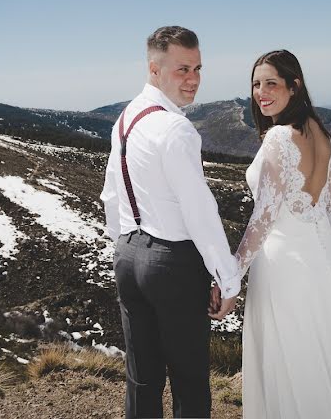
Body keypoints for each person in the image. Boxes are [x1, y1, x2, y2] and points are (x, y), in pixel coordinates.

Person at [211, 49, 331, 418]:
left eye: (271, 82)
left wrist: (229, 278)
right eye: (256, 84)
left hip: (283, 267)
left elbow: (263, 218)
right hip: (324, 263)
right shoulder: (320, 133)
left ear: (294, 85)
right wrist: (327, 261)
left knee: (295, 366)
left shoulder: (278, 138)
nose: (261, 91)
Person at [101, 26, 239, 418]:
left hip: (128, 256)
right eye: (182, 69)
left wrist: (123, 245)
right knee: (189, 378)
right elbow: (198, 211)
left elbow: (112, 193)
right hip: (172, 263)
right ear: (154, 69)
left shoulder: (127, 117)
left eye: (197, 68)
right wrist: (227, 280)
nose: (193, 79)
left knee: (142, 375)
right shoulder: (176, 128)